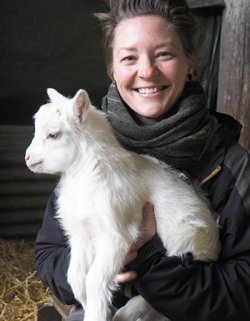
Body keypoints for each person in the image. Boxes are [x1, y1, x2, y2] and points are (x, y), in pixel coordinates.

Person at [34, 0, 250, 320]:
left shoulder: (230, 164)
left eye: (164, 54)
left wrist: (152, 264)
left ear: (190, 61)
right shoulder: (84, 146)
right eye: (129, 58)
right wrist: (98, 269)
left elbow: (243, 286)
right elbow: (49, 254)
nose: (146, 71)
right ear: (112, 69)